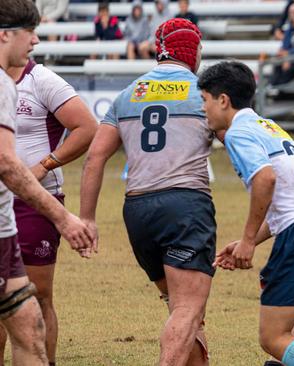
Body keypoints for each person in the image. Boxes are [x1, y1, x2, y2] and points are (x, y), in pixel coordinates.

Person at [79, 18, 214, 365]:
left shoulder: (129, 93)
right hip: (185, 206)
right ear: (192, 51)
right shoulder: (205, 91)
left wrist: (87, 218)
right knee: (187, 309)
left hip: (137, 210)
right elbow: (239, 142)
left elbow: (95, 157)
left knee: (183, 308)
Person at [204, 61, 294, 366]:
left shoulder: (238, 133)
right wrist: (248, 241)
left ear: (223, 100)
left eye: (204, 99)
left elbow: (265, 179)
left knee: (273, 337)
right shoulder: (267, 126)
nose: (202, 109)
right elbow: (288, 200)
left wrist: (246, 241)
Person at [0, 1, 94, 364]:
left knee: (33, 300)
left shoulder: (42, 80)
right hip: (17, 202)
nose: (36, 40)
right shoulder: (5, 85)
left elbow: (87, 127)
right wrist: (66, 218)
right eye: (30, 32)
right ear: (7, 34)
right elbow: (6, 162)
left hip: (29, 204)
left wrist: (45, 165)